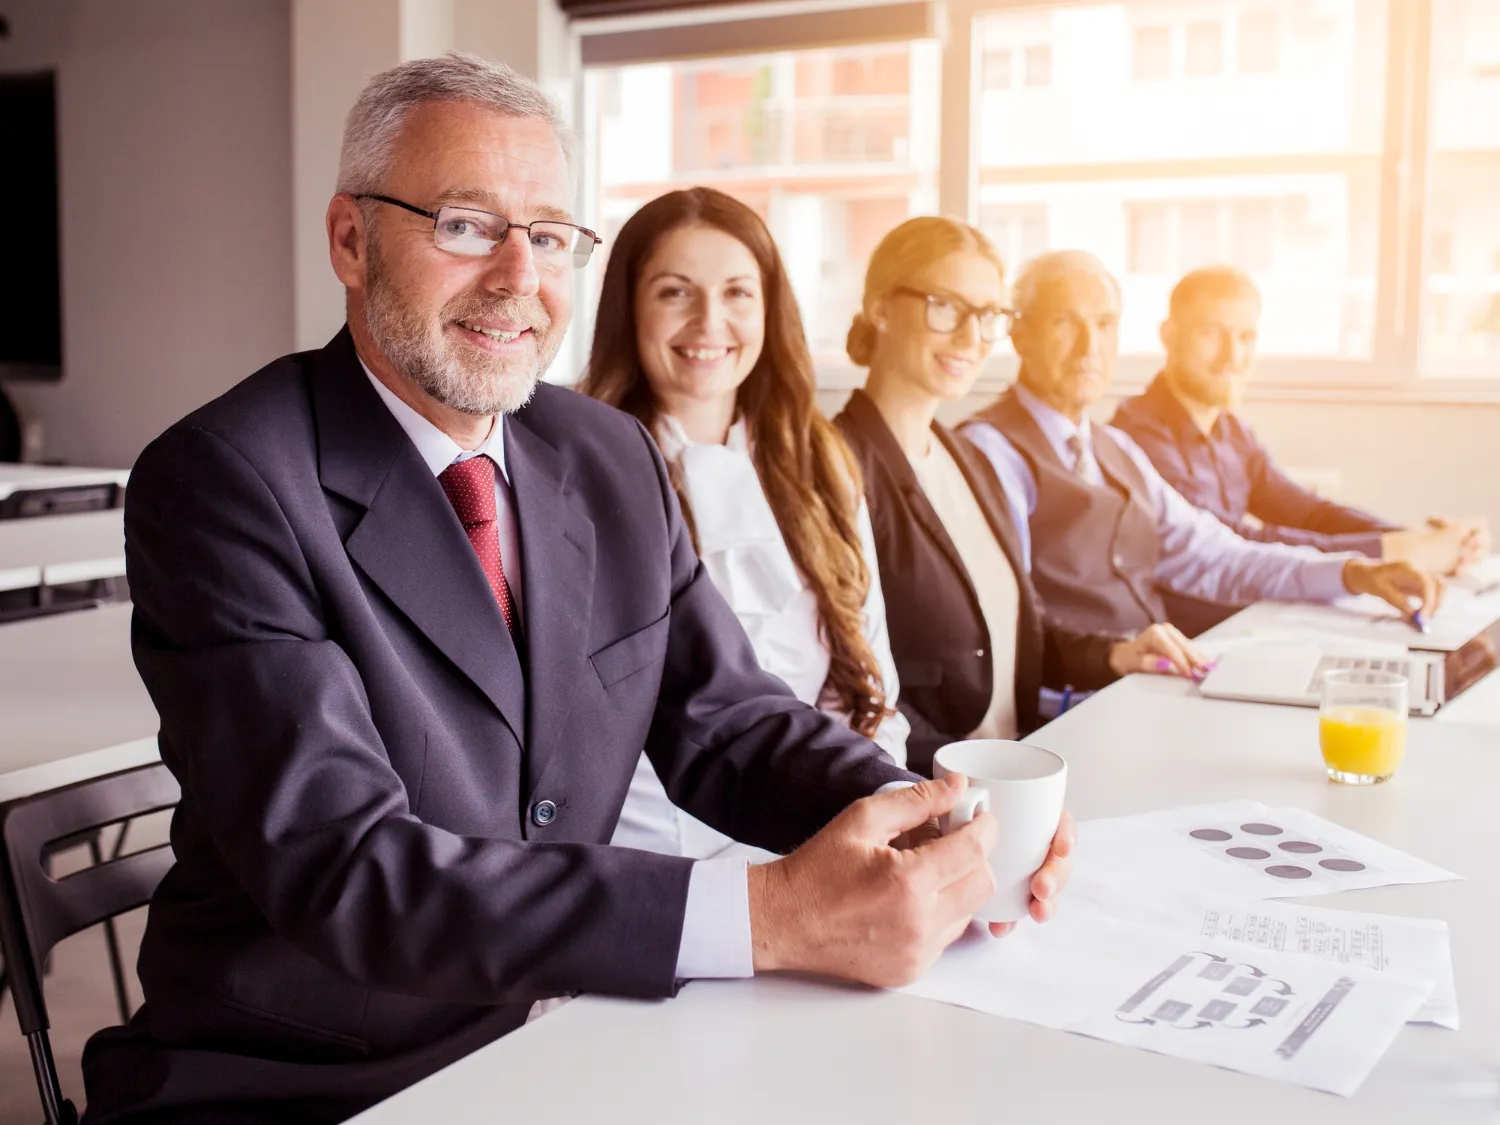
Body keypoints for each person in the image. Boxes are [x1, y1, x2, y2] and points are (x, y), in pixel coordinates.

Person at [80, 56, 1073, 1124]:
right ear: (350, 241)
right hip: (318, 1082)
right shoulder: (227, 480)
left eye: (550, 237)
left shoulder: (604, 455)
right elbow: (351, 867)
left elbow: (728, 723)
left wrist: (934, 822)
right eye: (466, 224)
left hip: (572, 1036)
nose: (519, 277)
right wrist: (768, 917)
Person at [578, 186, 908, 858]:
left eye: (736, 293)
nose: (709, 322)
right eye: (674, 291)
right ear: (628, 309)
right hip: (639, 859)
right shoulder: (573, 468)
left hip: (814, 837)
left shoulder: (821, 463)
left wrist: (885, 821)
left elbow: (869, 680)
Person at [833, 218, 1208, 774]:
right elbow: (846, 679)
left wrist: (1114, 653)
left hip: (1014, 766)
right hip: (934, 784)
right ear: (882, 308)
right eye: (945, 306)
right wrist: (967, 775)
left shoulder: (967, 459)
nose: (971, 337)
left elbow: (1018, 628)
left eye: (987, 315)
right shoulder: (840, 464)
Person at [960, 250, 1444, 642]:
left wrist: (1355, 574)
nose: (1090, 347)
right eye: (1066, 322)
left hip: (1155, 670)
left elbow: (1216, 554)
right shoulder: (990, 450)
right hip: (1073, 701)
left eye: (1105, 325)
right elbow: (1008, 620)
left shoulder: (1117, 449)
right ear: (1019, 334)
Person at [1111, 265, 1487, 573]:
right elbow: (1230, 544)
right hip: (1186, 635)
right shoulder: (1137, 434)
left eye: (1246, 337)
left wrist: (1421, 539)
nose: (1232, 355)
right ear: (1168, 336)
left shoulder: (1231, 431)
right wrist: (1389, 552)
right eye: (1211, 334)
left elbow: (1307, 512)